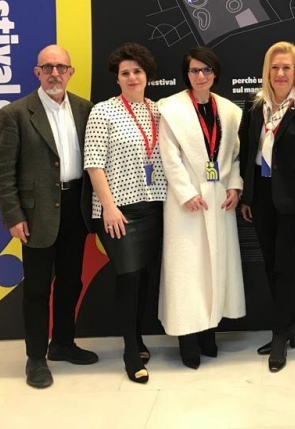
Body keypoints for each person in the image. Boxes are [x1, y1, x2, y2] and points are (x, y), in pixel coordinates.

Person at [0, 45, 98, 389]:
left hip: (75, 208)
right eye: (48, 67)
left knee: (71, 281)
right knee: (37, 288)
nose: (55, 73)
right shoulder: (15, 114)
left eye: (61, 67)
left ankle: (63, 344)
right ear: (37, 73)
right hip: (36, 214)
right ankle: (36, 358)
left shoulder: (85, 109)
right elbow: (2, 172)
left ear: (71, 72)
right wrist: (13, 215)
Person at [158, 46, 245, 369]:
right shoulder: (171, 108)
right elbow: (169, 156)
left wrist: (234, 185)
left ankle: (210, 332)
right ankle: (188, 341)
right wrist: (185, 193)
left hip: (218, 199)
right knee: (187, 272)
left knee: (214, 269)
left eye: (206, 70)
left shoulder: (229, 111)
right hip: (186, 204)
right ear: (187, 74)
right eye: (194, 70)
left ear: (215, 73)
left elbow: (234, 155)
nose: (200, 76)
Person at [239, 42, 295, 372]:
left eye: (287, 67)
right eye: (275, 67)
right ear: (267, 71)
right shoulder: (255, 106)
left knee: (284, 268)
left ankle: (279, 336)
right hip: (261, 198)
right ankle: (289, 327)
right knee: (270, 265)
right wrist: (247, 197)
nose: (280, 73)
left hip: (291, 203)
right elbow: (247, 153)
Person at [84, 43, 167, 384]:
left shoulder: (159, 111)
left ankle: (139, 338)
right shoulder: (103, 112)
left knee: (144, 276)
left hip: (154, 206)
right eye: (125, 73)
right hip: (118, 210)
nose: (132, 77)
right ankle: (130, 351)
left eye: (137, 71)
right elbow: (94, 163)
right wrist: (108, 207)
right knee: (129, 276)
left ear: (147, 75)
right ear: (117, 78)